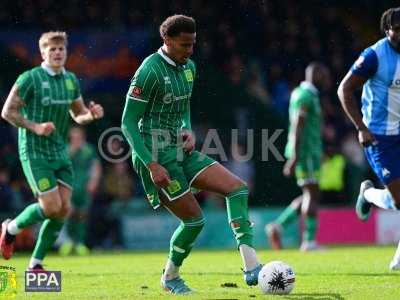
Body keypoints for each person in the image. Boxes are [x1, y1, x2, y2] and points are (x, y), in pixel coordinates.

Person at [121, 15, 263, 294]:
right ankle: (170, 277)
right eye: (185, 45)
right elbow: (127, 123)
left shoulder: (189, 68)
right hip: (156, 155)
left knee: (237, 188)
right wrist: (151, 165)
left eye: (193, 43)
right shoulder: (149, 71)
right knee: (195, 220)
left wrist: (187, 129)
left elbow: (184, 106)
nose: (190, 50)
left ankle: (251, 263)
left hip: (180, 149)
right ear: (167, 40)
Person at [0, 31, 104, 270]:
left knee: (63, 209)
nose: (57, 53)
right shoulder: (30, 78)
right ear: (42, 52)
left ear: (66, 52)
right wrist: (34, 126)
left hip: (59, 151)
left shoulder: (70, 80)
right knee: (50, 207)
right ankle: (11, 228)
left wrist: (91, 115)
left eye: (61, 49)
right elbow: (8, 112)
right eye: (52, 49)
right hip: (35, 151)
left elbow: (78, 114)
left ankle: (35, 264)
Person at [337, 7, 400, 271]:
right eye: (398, 28)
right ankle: (369, 194)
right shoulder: (374, 55)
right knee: (399, 200)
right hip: (379, 137)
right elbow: (345, 89)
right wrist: (361, 127)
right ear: (387, 30)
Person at [266, 62, 330, 251]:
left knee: (309, 193)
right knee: (311, 193)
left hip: (311, 152)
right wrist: (294, 155)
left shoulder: (308, 95)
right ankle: (309, 241)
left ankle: (278, 226)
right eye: (324, 76)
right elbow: (297, 125)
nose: (327, 80)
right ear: (316, 74)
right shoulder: (304, 95)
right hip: (306, 153)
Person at [59, 126, 102, 256]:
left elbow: (96, 166)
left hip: (84, 188)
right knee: (68, 213)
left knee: (82, 215)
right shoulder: (66, 149)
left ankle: (80, 243)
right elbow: (61, 167)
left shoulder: (88, 150)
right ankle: (69, 242)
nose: (76, 138)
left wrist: (94, 181)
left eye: (79, 136)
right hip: (69, 188)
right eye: (74, 136)